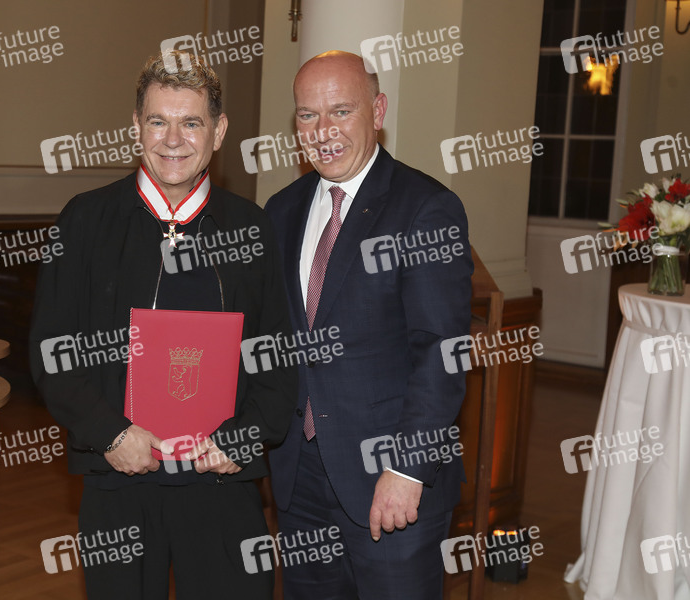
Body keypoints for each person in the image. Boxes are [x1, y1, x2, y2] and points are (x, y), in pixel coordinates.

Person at [29, 52, 295, 599]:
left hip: (223, 482)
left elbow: (278, 354)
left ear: (219, 131)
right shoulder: (85, 220)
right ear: (136, 127)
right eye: (158, 121)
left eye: (191, 122)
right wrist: (109, 433)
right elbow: (51, 351)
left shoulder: (252, 227)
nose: (173, 140)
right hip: (119, 477)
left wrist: (244, 437)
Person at [264, 50, 473, 599]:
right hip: (299, 478)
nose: (323, 131)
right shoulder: (281, 211)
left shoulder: (426, 208)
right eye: (307, 115)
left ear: (377, 111)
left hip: (392, 480)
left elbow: (442, 351)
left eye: (341, 110)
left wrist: (407, 470)